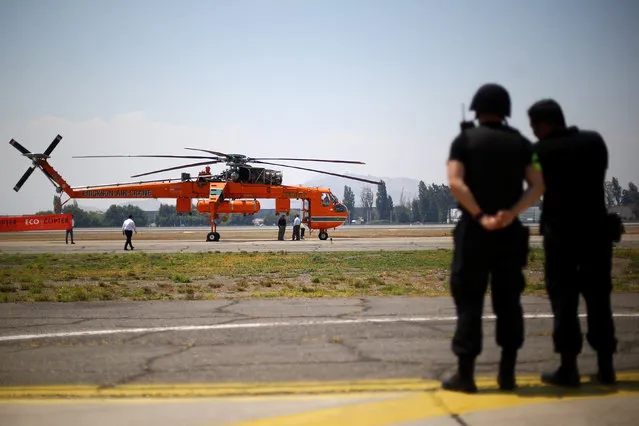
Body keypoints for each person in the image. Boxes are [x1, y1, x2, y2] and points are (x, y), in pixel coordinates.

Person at [441, 83, 545, 393]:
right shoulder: (523, 144)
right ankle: (507, 373)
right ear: (506, 111)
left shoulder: (464, 141)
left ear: (476, 109)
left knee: (469, 301)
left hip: (474, 232)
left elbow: (456, 183)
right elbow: (538, 186)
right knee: (509, 302)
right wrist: (510, 214)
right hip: (509, 233)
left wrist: (478, 215)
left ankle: (466, 374)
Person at [528, 99, 618, 386]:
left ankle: (569, 367)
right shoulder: (594, 142)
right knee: (599, 300)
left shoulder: (539, 151)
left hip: (562, 237)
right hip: (596, 234)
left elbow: (535, 184)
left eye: (534, 127)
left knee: (564, 302)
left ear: (543, 125)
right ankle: (606, 366)